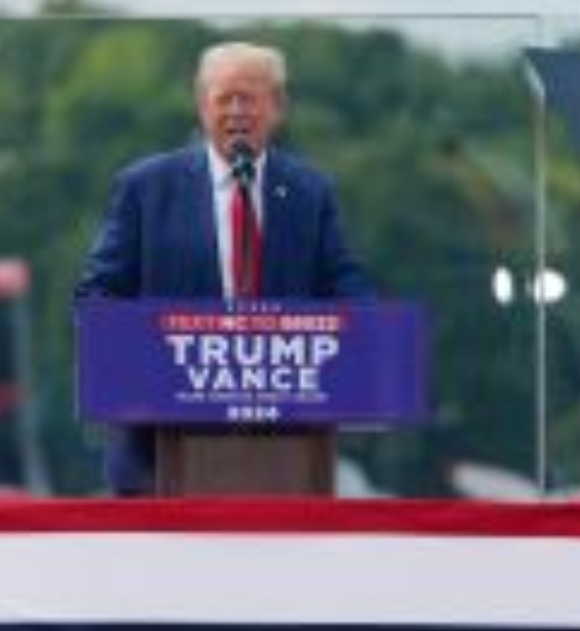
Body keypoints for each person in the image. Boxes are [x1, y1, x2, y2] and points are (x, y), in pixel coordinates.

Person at [75, 40, 374, 495]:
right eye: (224, 99)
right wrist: (143, 359)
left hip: (282, 450)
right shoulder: (146, 187)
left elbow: (345, 283)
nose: (236, 111)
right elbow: (95, 298)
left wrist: (371, 333)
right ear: (201, 107)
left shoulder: (311, 192)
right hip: (157, 455)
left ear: (277, 107)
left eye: (249, 98)